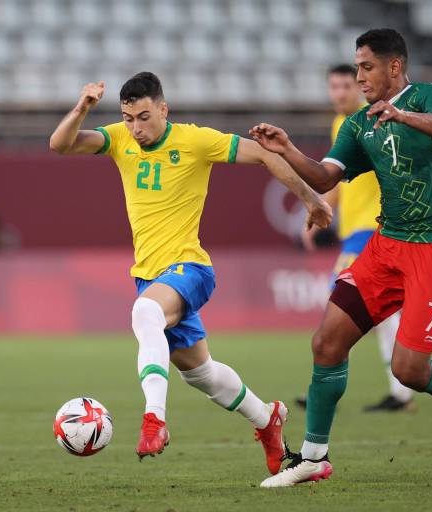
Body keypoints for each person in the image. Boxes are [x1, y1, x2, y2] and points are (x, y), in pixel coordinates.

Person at [49, 72, 332, 475]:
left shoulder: (197, 141)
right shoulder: (120, 139)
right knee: (201, 374)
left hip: (190, 267)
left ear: (163, 109)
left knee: (143, 314)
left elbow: (266, 154)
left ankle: (155, 420)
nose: (136, 127)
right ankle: (267, 418)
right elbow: (60, 144)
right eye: (128, 118)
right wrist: (82, 108)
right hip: (151, 277)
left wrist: (311, 199)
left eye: (144, 117)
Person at [250, 29, 432, 487]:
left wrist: (401, 115)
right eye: (356, 67)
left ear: (394, 67)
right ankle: (313, 457)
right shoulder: (360, 124)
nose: (358, 76)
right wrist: (287, 150)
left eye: (366, 67)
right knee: (326, 343)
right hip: (386, 247)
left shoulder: (427, 96)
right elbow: (324, 178)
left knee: (408, 369)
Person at [296, 63, 414, 413]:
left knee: (344, 308)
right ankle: (402, 388)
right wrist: (320, 210)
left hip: (373, 229)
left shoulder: (375, 120)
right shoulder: (341, 124)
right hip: (356, 233)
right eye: (333, 87)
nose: (339, 93)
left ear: (359, 87)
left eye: (346, 86)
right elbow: (336, 178)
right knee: (379, 315)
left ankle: (330, 387)